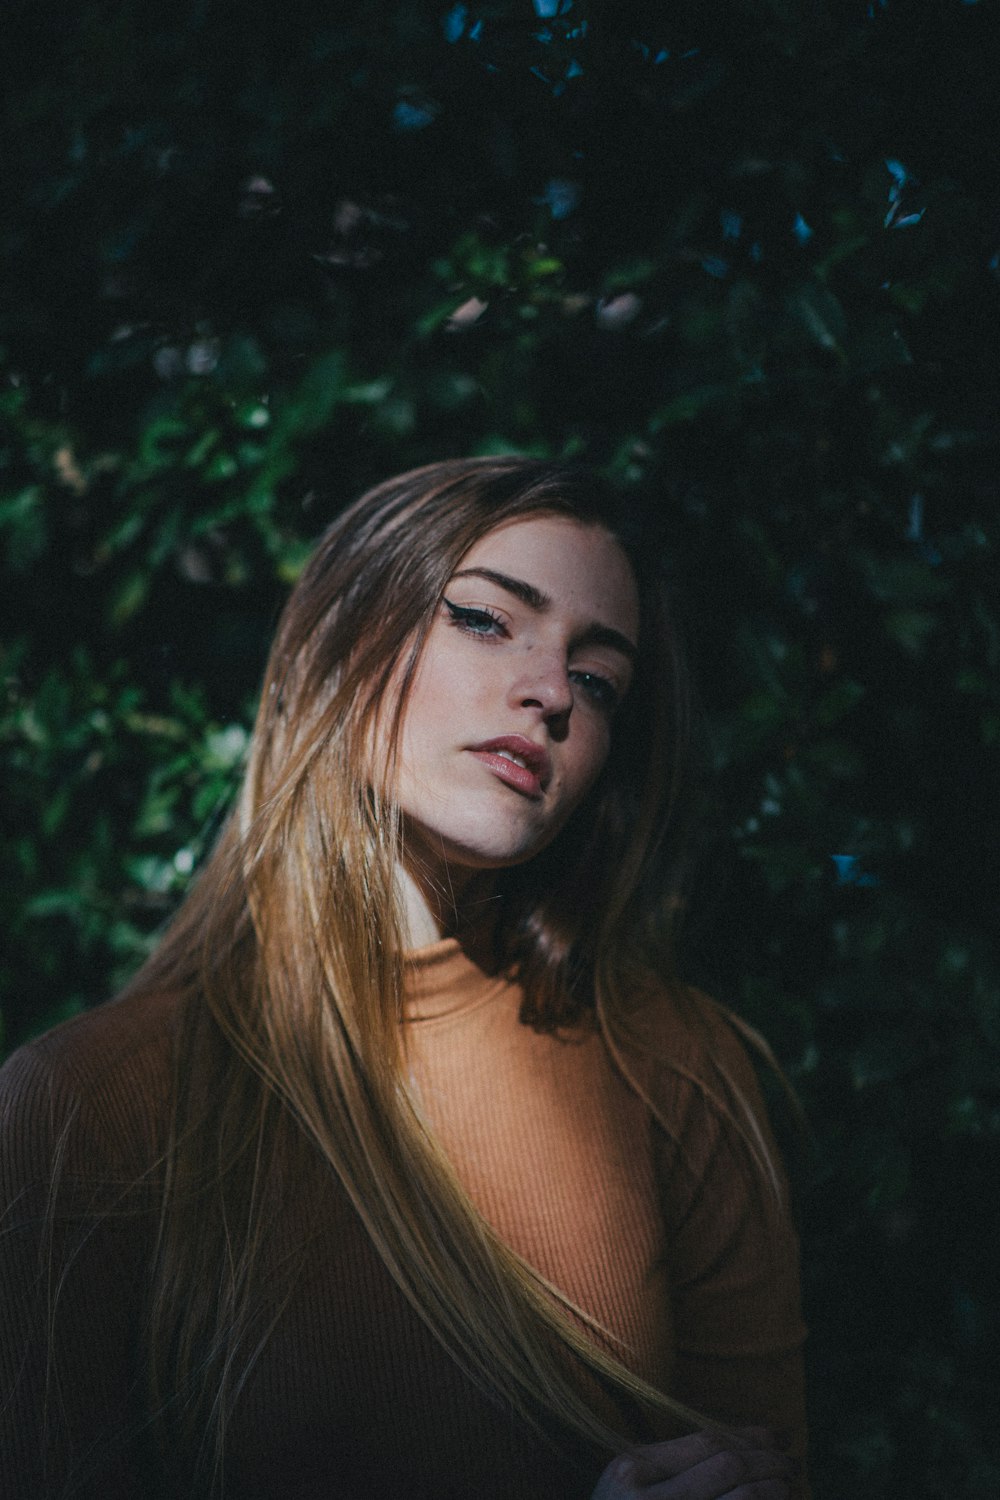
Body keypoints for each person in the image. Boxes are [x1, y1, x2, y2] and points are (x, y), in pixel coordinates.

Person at [0, 457, 808, 1498]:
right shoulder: (90, 1107)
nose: (551, 690)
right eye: (483, 619)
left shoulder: (680, 1068)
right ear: (332, 644)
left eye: (598, 679)